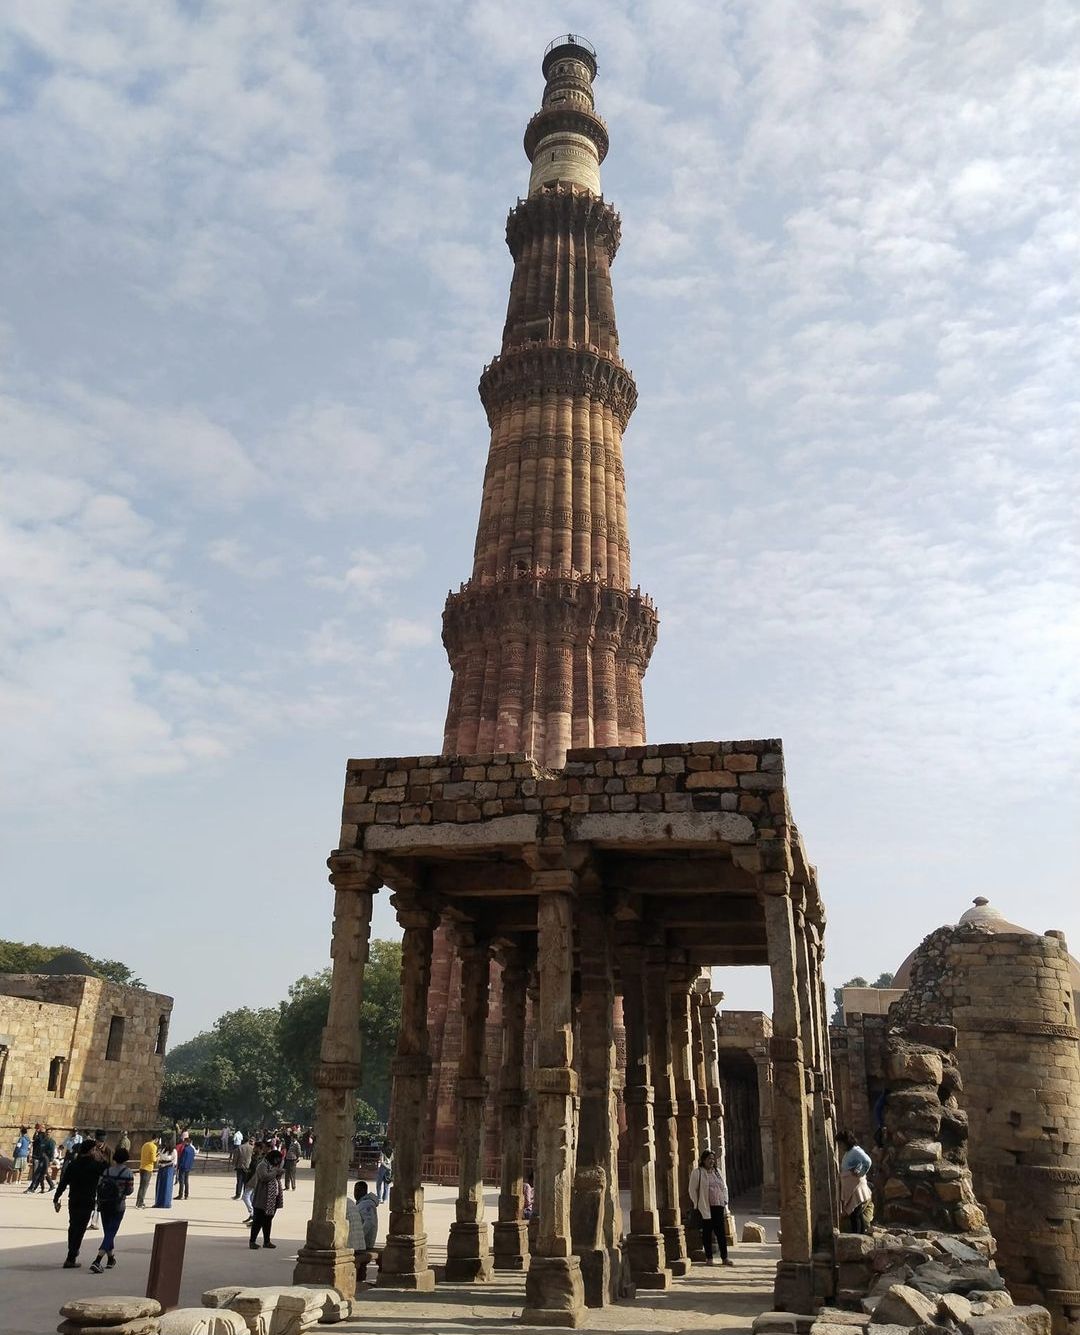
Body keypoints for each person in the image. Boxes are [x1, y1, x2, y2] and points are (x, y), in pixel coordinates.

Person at [53, 1140, 105, 1268]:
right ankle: (71, 1256)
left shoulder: (73, 1164)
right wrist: (102, 1159)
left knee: (73, 1226)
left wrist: (56, 1197)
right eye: (94, 1150)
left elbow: (63, 1183)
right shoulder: (95, 1165)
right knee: (80, 1229)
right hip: (87, 1200)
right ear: (91, 1151)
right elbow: (108, 1169)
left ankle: (71, 1253)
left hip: (74, 1199)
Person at [88, 1147, 135, 1273]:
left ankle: (110, 1258)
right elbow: (129, 1191)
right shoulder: (128, 1173)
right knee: (111, 1232)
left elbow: (99, 1186)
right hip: (118, 1205)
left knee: (108, 1231)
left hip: (104, 1204)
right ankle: (97, 1260)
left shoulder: (107, 1171)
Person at [688, 1149, 734, 1266]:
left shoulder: (717, 1172)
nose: (711, 1161)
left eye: (713, 1159)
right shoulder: (698, 1172)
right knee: (707, 1233)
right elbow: (692, 1190)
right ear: (703, 1160)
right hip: (705, 1207)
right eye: (709, 1159)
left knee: (720, 1233)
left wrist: (725, 1200)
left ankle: (725, 1257)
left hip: (718, 1205)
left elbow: (724, 1187)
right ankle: (709, 1258)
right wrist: (696, 1203)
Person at [837, 1131, 873, 1234]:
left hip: (855, 1187)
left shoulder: (855, 1151)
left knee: (855, 1214)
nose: (840, 1146)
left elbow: (868, 1161)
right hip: (851, 1186)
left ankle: (858, 1237)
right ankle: (860, 1235)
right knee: (857, 1214)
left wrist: (861, 1173)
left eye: (841, 1143)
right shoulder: (849, 1152)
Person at [249, 1149, 284, 1249]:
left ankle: (267, 1241)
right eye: (277, 1159)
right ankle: (252, 1241)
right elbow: (264, 1177)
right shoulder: (262, 1165)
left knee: (268, 1220)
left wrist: (278, 1172)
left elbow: (275, 1177)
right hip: (262, 1198)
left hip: (273, 1198)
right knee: (258, 1221)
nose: (278, 1162)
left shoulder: (273, 1166)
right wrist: (276, 1171)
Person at [28, 1125, 56, 1194]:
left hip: (46, 1159)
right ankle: (51, 1185)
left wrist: (51, 1160)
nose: (48, 1134)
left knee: (37, 1174)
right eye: (47, 1132)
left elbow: (52, 1152)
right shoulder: (43, 1140)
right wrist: (37, 1131)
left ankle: (32, 1188)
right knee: (42, 1174)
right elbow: (35, 1139)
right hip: (41, 1158)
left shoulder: (51, 1141)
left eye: (49, 1132)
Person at [153, 1139, 176, 1208]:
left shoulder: (173, 1151)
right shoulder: (163, 1150)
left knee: (166, 1185)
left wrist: (165, 1165)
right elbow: (159, 1158)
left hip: (168, 1168)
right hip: (161, 1168)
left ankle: (166, 1203)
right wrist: (159, 1163)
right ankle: (158, 1202)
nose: (166, 1144)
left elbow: (174, 1162)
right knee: (160, 1185)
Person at [136, 1135, 158, 1207]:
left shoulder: (145, 1145)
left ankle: (138, 1201)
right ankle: (140, 1203)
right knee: (144, 1186)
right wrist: (158, 1157)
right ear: (156, 1139)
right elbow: (153, 1159)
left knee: (141, 1186)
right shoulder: (153, 1147)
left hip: (142, 1167)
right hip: (148, 1168)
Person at [176, 1135, 195, 1200]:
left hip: (183, 1166)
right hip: (188, 1167)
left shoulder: (185, 1149)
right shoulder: (192, 1149)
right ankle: (186, 1194)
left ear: (187, 1142)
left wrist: (178, 1166)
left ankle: (180, 1194)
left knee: (181, 1181)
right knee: (186, 1181)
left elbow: (182, 1159)